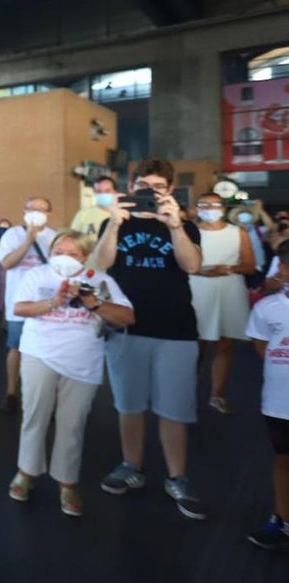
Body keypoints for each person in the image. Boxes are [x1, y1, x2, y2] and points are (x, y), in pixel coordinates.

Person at [94, 157, 206, 520]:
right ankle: (132, 466)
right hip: (126, 328)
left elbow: (192, 265)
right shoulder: (115, 224)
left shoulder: (183, 225)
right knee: (129, 405)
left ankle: (178, 476)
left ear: (170, 191)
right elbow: (98, 265)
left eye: (158, 188)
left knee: (174, 409)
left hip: (175, 329)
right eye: (144, 187)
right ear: (131, 187)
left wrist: (174, 226)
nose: (150, 194)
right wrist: (113, 225)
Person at [8, 230, 134, 517]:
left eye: (72, 253)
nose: (63, 257)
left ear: (85, 256)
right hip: (39, 354)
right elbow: (20, 308)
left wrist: (94, 303)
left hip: (82, 362)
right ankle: (26, 472)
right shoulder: (38, 276)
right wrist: (53, 302)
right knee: (34, 416)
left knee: (72, 423)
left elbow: (127, 316)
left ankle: (67, 482)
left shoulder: (100, 279)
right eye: (58, 251)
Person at [189, 192, 255, 415]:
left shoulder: (238, 233)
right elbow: (180, 262)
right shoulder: (190, 231)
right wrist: (203, 271)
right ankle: (188, 390)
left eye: (214, 204)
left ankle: (217, 395)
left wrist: (227, 268)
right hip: (198, 287)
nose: (209, 208)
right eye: (203, 204)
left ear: (223, 208)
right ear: (197, 208)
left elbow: (249, 265)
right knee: (196, 342)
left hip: (229, 288)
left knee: (225, 343)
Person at [244, 245, 289, 551]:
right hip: (278, 400)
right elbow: (262, 345)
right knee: (283, 460)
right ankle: (282, 519)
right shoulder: (268, 307)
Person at [0, 196, 57, 413]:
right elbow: (7, 263)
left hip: (48, 304)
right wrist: (28, 240)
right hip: (19, 303)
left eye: (42, 209)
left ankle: (45, 396)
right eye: (32, 208)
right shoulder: (12, 234)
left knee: (47, 351)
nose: (37, 212)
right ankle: (12, 391)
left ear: (49, 214)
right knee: (16, 347)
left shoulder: (54, 237)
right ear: (24, 211)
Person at [70, 176, 118, 252]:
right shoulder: (83, 214)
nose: (103, 194)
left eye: (107, 191)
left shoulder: (121, 214)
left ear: (115, 192)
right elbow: (73, 239)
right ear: (94, 193)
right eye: (99, 191)